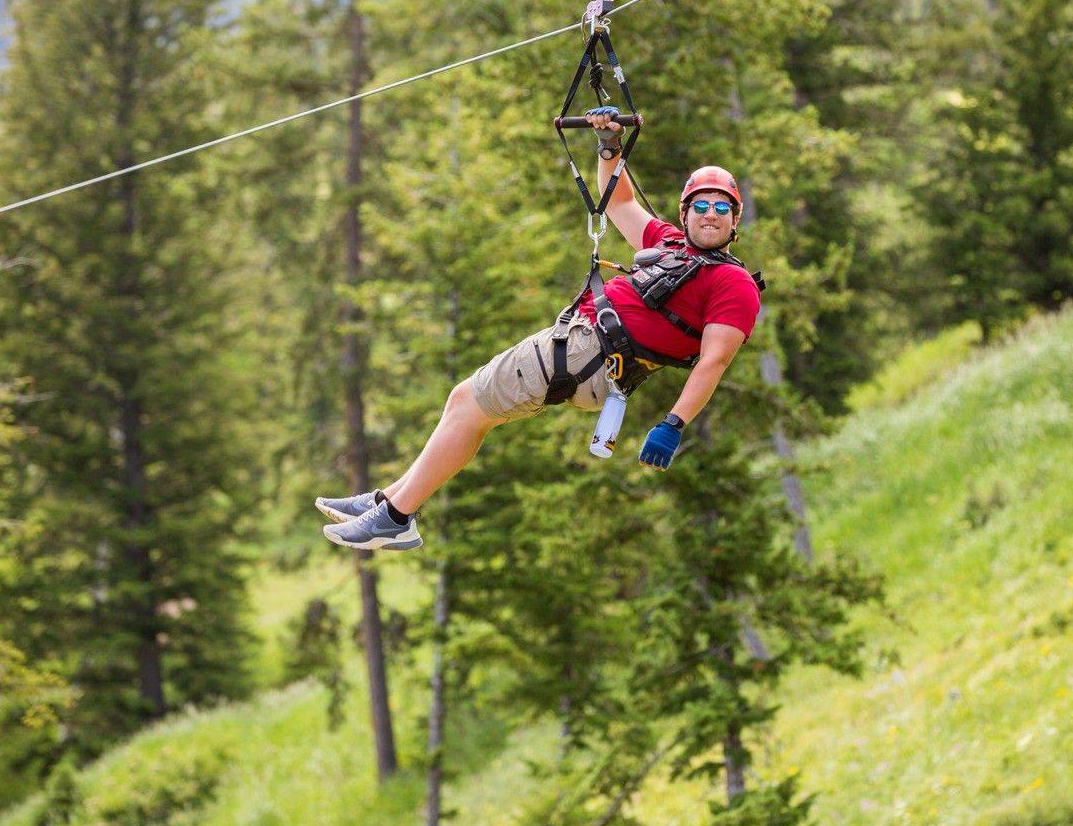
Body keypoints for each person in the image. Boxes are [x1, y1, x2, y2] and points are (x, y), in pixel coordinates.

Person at [318, 110, 765, 552]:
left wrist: (674, 422)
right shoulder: (668, 242)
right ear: (685, 213)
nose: (711, 214)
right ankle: (390, 501)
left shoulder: (733, 283)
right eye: (701, 205)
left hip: (589, 354)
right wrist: (609, 145)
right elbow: (620, 202)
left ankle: (395, 519)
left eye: (721, 207)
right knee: (465, 401)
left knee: (472, 404)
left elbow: (714, 360)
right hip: (580, 347)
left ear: (734, 219)